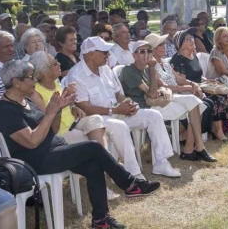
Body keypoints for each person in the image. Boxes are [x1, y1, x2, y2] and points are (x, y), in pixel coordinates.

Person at [0, 60, 161, 229]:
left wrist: (57, 109)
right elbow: (32, 141)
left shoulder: (28, 102)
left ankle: (101, 220)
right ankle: (130, 184)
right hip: (34, 160)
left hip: (53, 149)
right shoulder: (3, 110)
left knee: (93, 165)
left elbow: (54, 129)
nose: (35, 80)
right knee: (93, 147)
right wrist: (49, 113)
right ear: (16, 82)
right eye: (30, 77)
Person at [67, 37, 181, 177]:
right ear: (91, 54)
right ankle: (134, 174)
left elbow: (118, 94)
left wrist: (128, 103)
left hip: (117, 111)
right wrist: (114, 110)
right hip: (97, 120)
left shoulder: (105, 70)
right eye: (104, 52)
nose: (108, 55)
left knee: (154, 116)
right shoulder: (76, 75)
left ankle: (161, 163)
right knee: (119, 126)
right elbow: (85, 108)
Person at [118, 39, 216, 162]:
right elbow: (152, 94)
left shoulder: (149, 67)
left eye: (148, 51)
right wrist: (153, 69)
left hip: (159, 101)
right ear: (134, 55)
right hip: (146, 107)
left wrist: (186, 85)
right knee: (193, 106)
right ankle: (190, 150)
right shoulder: (129, 70)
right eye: (142, 52)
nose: (146, 54)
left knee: (193, 101)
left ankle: (195, 148)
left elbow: (163, 85)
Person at [147, 33, 219, 145]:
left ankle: (192, 136)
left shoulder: (165, 63)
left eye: (164, 44)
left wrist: (192, 84)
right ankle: (185, 136)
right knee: (201, 103)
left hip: (178, 92)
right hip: (168, 96)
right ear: (152, 49)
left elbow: (179, 79)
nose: (164, 46)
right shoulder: (151, 66)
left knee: (208, 103)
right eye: (160, 45)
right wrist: (188, 88)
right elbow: (164, 87)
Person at [28, 51, 107, 146]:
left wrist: (73, 107)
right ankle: (105, 158)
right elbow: (48, 121)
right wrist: (63, 96)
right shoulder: (35, 92)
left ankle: (104, 158)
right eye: (55, 63)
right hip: (61, 132)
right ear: (44, 71)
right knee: (93, 139)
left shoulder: (55, 82)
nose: (59, 64)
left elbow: (66, 104)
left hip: (74, 122)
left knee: (96, 120)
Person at [169, 29, 228, 141]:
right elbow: (181, 81)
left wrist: (208, 81)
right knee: (215, 98)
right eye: (188, 39)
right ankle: (214, 131)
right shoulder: (178, 59)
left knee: (222, 95)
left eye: (191, 37)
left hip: (200, 86)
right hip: (190, 89)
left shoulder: (194, 56)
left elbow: (200, 76)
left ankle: (218, 130)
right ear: (180, 45)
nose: (192, 40)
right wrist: (199, 85)